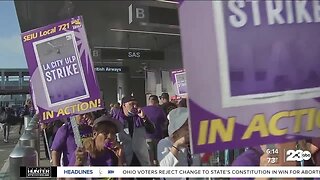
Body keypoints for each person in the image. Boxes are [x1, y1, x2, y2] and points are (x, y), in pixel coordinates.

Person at [113, 96, 155, 166]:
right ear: (124, 105)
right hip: (125, 159)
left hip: (141, 159)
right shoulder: (116, 120)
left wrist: (144, 118)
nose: (135, 106)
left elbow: (152, 130)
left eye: (136, 104)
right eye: (131, 104)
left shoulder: (140, 118)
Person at [143, 95, 167, 165]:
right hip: (158, 136)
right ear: (157, 101)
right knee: (158, 157)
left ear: (149, 101)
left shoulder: (143, 109)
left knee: (149, 158)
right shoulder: (160, 110)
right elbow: (164, 122)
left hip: (146, 136)